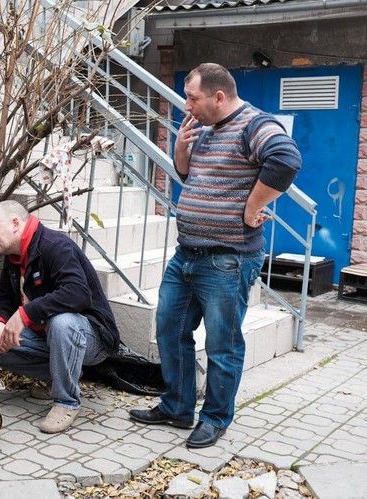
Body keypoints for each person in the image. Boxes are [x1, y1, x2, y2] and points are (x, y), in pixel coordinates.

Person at [129, 63, 301, 448]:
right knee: (170, 330)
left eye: (193, 98)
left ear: (219, 97)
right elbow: (193, 179)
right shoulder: (205, 128)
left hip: (227, 259)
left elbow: (286, 160)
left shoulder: (255, 125)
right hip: (186, 254)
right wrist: (181, 151)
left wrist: (252, 205)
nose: (186, 105)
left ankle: (216, 418)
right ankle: (176, 407)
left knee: (222, 343)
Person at [0, 200, 120, 433]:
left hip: (91, 336)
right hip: (46, 337)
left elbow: (78, 294)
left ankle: (66, 402)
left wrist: (24, 314)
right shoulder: (14, 256)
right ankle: (58, 376)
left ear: (15, 224)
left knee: (62, 323)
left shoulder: (55, 246)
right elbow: (1, 300)